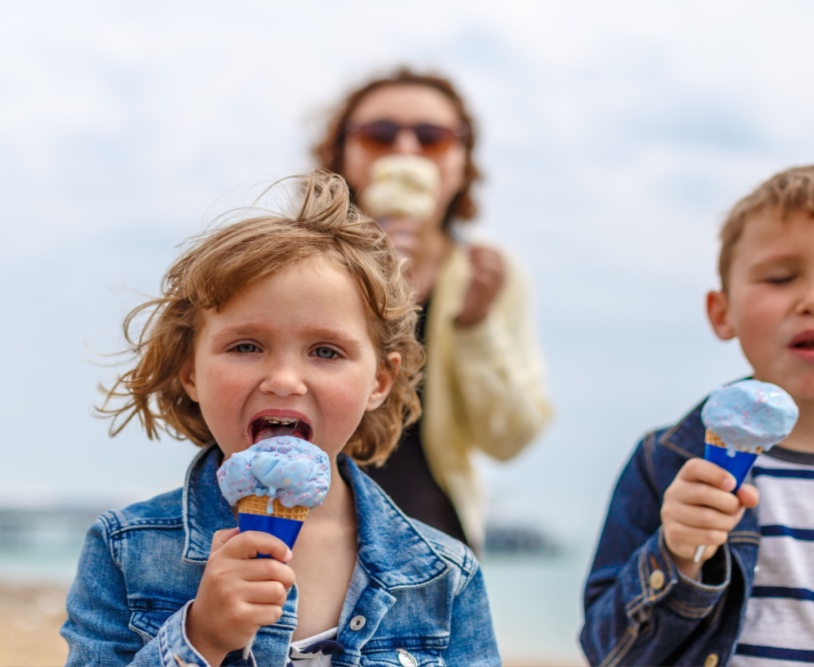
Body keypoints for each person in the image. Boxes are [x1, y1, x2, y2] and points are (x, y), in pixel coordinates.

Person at [61, 171, 500, 666]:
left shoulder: (445, 573)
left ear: (379, 380)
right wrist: (199, 638)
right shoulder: (125, 550)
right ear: (190, 373)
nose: (285, 380)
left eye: (326, 351)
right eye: (246, 346)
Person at [581, 165, 814, 665]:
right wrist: (677, 554)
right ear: (721, 312)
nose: (810, 301)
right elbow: (607, 653)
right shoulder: (666, 462)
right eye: (780, 277)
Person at [313, 67, 552, 551]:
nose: (406, 150)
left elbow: (510, 438)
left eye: (433, 137)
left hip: (434, 540)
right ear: (341, 154)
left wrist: (476, 326)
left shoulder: (490, 273)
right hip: (300, 529)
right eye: (379, 135)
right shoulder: (287, 263)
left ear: (464, 163)